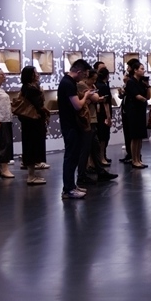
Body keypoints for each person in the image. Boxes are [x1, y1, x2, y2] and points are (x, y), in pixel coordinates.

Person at [58, 58, 93, 199]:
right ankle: (68, 189)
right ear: (78, 72)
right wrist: (86, 96)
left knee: (73, 156)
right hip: (70, 125)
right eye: (84, 75)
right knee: (71, 157)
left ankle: (71, 186)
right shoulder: (68, 84)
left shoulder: (68, 82)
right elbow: (78, 105)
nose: (84, 78)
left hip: (72, 125)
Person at [77, 69, 118, 185]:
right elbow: (95, 98)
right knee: (86, 148)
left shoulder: (91, 86)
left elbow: (95, 97)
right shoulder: (81, 85)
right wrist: (93, 97)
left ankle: (99, 171)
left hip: (92, 118)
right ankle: (82, 174)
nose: (94, 82)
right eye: (92, 79)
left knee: (95, 146)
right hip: (87, 119)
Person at [18, 66, 49, 185]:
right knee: (32, 147)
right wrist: (46, 112)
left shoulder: (26, 87)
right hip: (33, 122)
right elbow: (39, 105)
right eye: (35, 73)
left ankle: (32, 175)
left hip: (29, 122)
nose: (37, 74)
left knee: (31, 147)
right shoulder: (31, 89)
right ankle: (31, 177)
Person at [124, 59, 149, 168]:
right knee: (134, 137)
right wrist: (144, 99)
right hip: (133, 111)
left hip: (141, 111)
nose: (143, 71)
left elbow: (148, 96)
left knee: (140, 137)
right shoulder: (131, 82)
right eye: (141, 69)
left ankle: (138, 158)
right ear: (135, 70)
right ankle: (134, 160)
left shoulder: (141, 82)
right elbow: (137, 96)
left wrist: (147, 86)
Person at [94, 66, 113, 166]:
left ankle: (99, 157)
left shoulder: (96, 85)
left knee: (99, 136)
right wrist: (108, 117)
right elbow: (106, 103)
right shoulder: (104, 87)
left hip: (97, 114)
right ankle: (102, 157)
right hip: (103, 114)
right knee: (103, 138)